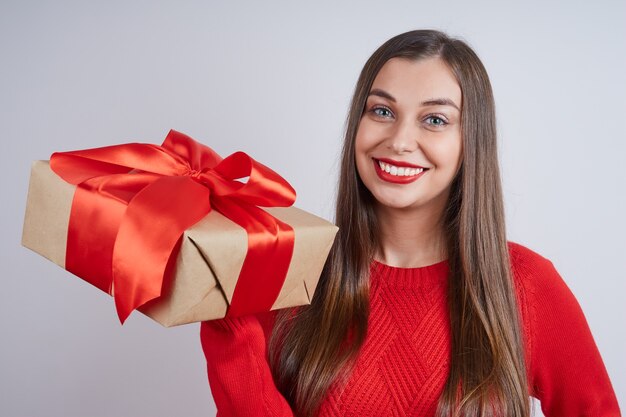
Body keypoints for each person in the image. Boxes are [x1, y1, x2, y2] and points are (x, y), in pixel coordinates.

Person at [199, 30, 621, 417]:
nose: (399, 141)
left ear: (469, 142)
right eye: (382, 110)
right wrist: (224, 313)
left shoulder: (526, 285)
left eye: (435, 119)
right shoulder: (289, 271)